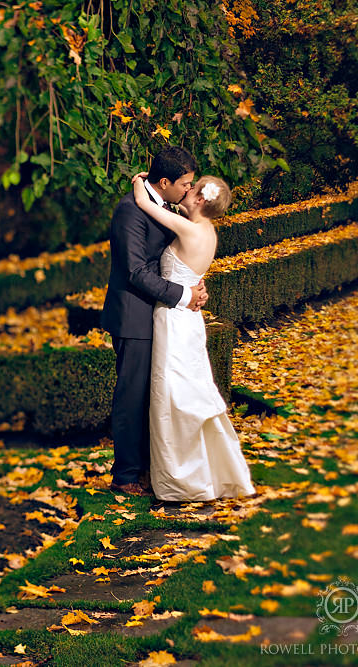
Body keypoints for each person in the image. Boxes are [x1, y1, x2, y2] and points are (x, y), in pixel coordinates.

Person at [131, 171, 255, 501]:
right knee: (183, 389)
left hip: (173, 319)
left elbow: (143, 201)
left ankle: (180, 479)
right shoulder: (207, 231)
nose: (186, 190)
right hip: (189, 318)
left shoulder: (188, 228)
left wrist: (139, 178)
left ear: (200, 199)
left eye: (191, 188)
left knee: (171, 394)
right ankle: (194, 470)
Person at [102, 146, 208, 496]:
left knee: (154, 396)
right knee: (131, 398)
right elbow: (135, 271)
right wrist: (182, 295)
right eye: (185, 184)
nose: (189, 192)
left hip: (158, 315)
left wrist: (193, 283)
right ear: (164, 182)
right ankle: (125, 476)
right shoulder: (129, 211)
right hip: (134, 316)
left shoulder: (163, 203)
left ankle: (148, 468)